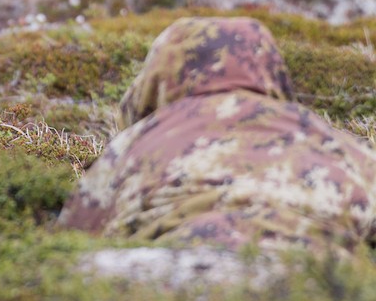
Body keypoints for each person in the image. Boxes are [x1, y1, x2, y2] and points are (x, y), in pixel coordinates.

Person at [59, 17, 376, 255]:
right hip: (316, 274)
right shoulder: (334, 143)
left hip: (176, 269)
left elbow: (72, 239)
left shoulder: (133, 144)